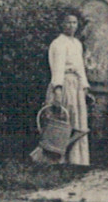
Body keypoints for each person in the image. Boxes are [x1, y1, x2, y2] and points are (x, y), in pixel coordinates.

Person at [34, 10, 91, 166]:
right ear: (62, 24)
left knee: (77, 120)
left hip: (76, 85)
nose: (71, 26)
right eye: (68, 22)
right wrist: (57, 89)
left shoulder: (77, 44)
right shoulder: (58, 44)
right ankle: (57, 159)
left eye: (74, 23)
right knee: (62, 121)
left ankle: (76, 160)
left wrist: (84, 86)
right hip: (64, 83)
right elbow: (57, 68)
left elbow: (80, 67)